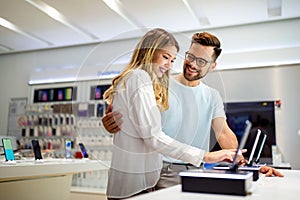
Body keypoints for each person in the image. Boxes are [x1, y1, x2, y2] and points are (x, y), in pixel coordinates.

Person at [102, 31, 284, 191]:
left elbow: (224, 132)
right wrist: (110, 122)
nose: (193, 64)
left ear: (212, 66)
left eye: (202, 61)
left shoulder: (212, 96)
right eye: (190, 57)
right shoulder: (158, 83)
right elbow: (132, 119)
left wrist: (247, 165)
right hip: (163, 170)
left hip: (198, 167)